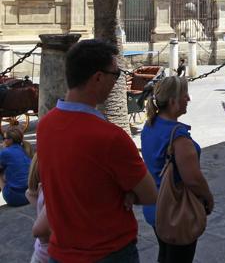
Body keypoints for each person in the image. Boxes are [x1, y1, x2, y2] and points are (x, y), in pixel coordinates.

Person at [36, 39, 157, 262]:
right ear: (98, 77)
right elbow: (150, 194)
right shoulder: (111, 138)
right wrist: (126, 192)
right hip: (108, 252)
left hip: (60, 252)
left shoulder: (45, 126)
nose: (117, 81)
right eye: (116, 74)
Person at [141, 76, 214, 263]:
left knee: (165, 255)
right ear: (173, 101)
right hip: (176, 211)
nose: (188, 99)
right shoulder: (179, 137)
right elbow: (193, 179)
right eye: (185, 95)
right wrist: (208, 198)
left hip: (155, 207)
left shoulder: (150, 126)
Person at [26, 154, 50, 263]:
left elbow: (38, 231)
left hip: (42, 252)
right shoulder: (50, 193)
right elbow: (39, 231)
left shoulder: (44, 192)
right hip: (46, 253)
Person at [0, 126, 32, 206]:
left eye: (4, 138)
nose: (2, 141)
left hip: (15, 198)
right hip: (30, 195)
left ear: (10, 140)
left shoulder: (5, 153)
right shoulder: (26, 149)